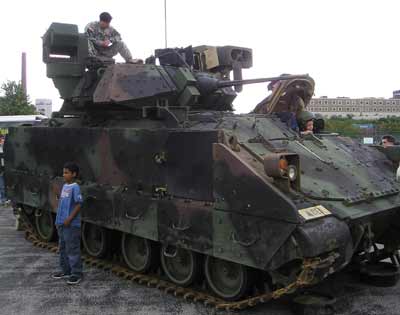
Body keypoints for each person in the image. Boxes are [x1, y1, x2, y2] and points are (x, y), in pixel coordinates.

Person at [52, 162, 83, 285]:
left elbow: (79, 203)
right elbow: (62, 204)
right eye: (63, 172)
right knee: (63, 248)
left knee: (72, 249)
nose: (64, 174)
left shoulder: (75, 187)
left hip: (71, 225)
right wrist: (58, 221)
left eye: (66, 172)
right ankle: (66, 270)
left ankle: (76, 273)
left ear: (74, 174)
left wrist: (70, 218)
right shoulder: (65, 186)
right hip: (61, 223)